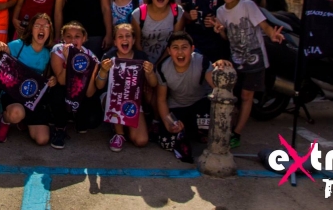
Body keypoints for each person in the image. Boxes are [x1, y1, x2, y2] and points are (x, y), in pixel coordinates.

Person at [213, 0, 284, 149]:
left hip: (255, 59)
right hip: (235, 59)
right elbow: (226, 37)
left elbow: (264, 25)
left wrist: (272, 35)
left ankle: (237, 132)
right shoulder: (220, 11)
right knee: (234, 96)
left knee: (247, 95)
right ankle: (229, 128)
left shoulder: (248, 5)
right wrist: (220, 30)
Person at [156, 32, 231, 163]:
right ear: (169, 51)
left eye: (184, 47)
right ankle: (187, 130)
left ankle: (196, 131)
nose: (180, 52)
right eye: (175, 47)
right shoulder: (163, 68)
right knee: (166, 140)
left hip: (200, 104)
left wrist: (220, 70)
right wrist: (169, 124)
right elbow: (161, 100)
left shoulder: (201, 61)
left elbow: (217, 88)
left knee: (212, 128)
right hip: (177, 106)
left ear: (192, 49)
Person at [0, 13, 57, 146]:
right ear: (31, 29)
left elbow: (48, 77)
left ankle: (23, 121)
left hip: (32, 97)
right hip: (12, 94)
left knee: (42, 140)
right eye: (37, 25)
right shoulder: (18, 45)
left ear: (50, 31)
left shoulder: (49, 53)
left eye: (45, 26)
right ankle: (4, 122)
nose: (41, 29)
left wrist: (53, 80)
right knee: (16, 113)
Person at [92, 23, 158, 152]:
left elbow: (154, 84)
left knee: (141, 140)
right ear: (115, 42)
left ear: (133, 40)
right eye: (120, 36)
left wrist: (150, 73)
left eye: (128, 36)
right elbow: (99, 85)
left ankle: (126, 125)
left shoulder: (141, 57)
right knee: (118, 94)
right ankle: (119, 134)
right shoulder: (109, 57)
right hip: (111, 99)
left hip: (133, 101)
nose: (124, 39)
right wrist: (103, 72)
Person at [48, 22, 100, 149]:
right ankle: (60, 127)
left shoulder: (91, 57)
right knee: (58, 89)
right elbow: (61, 80)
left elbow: (89, 92)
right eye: (68, 36)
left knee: (92, 122)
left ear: (84, 38)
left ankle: (75, 115)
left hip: (80, 93)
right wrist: (69, 60)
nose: (72, 40)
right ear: (63, 38)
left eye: (77, 36)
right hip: (63, 90)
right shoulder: (58, 50)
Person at [133, 0, 184, 65]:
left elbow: (175, 43)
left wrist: (159, 65)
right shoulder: (138, 14)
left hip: (169, 61)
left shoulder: (177, 12)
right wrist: (148, 67)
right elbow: (137, 45)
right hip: (143, 62)